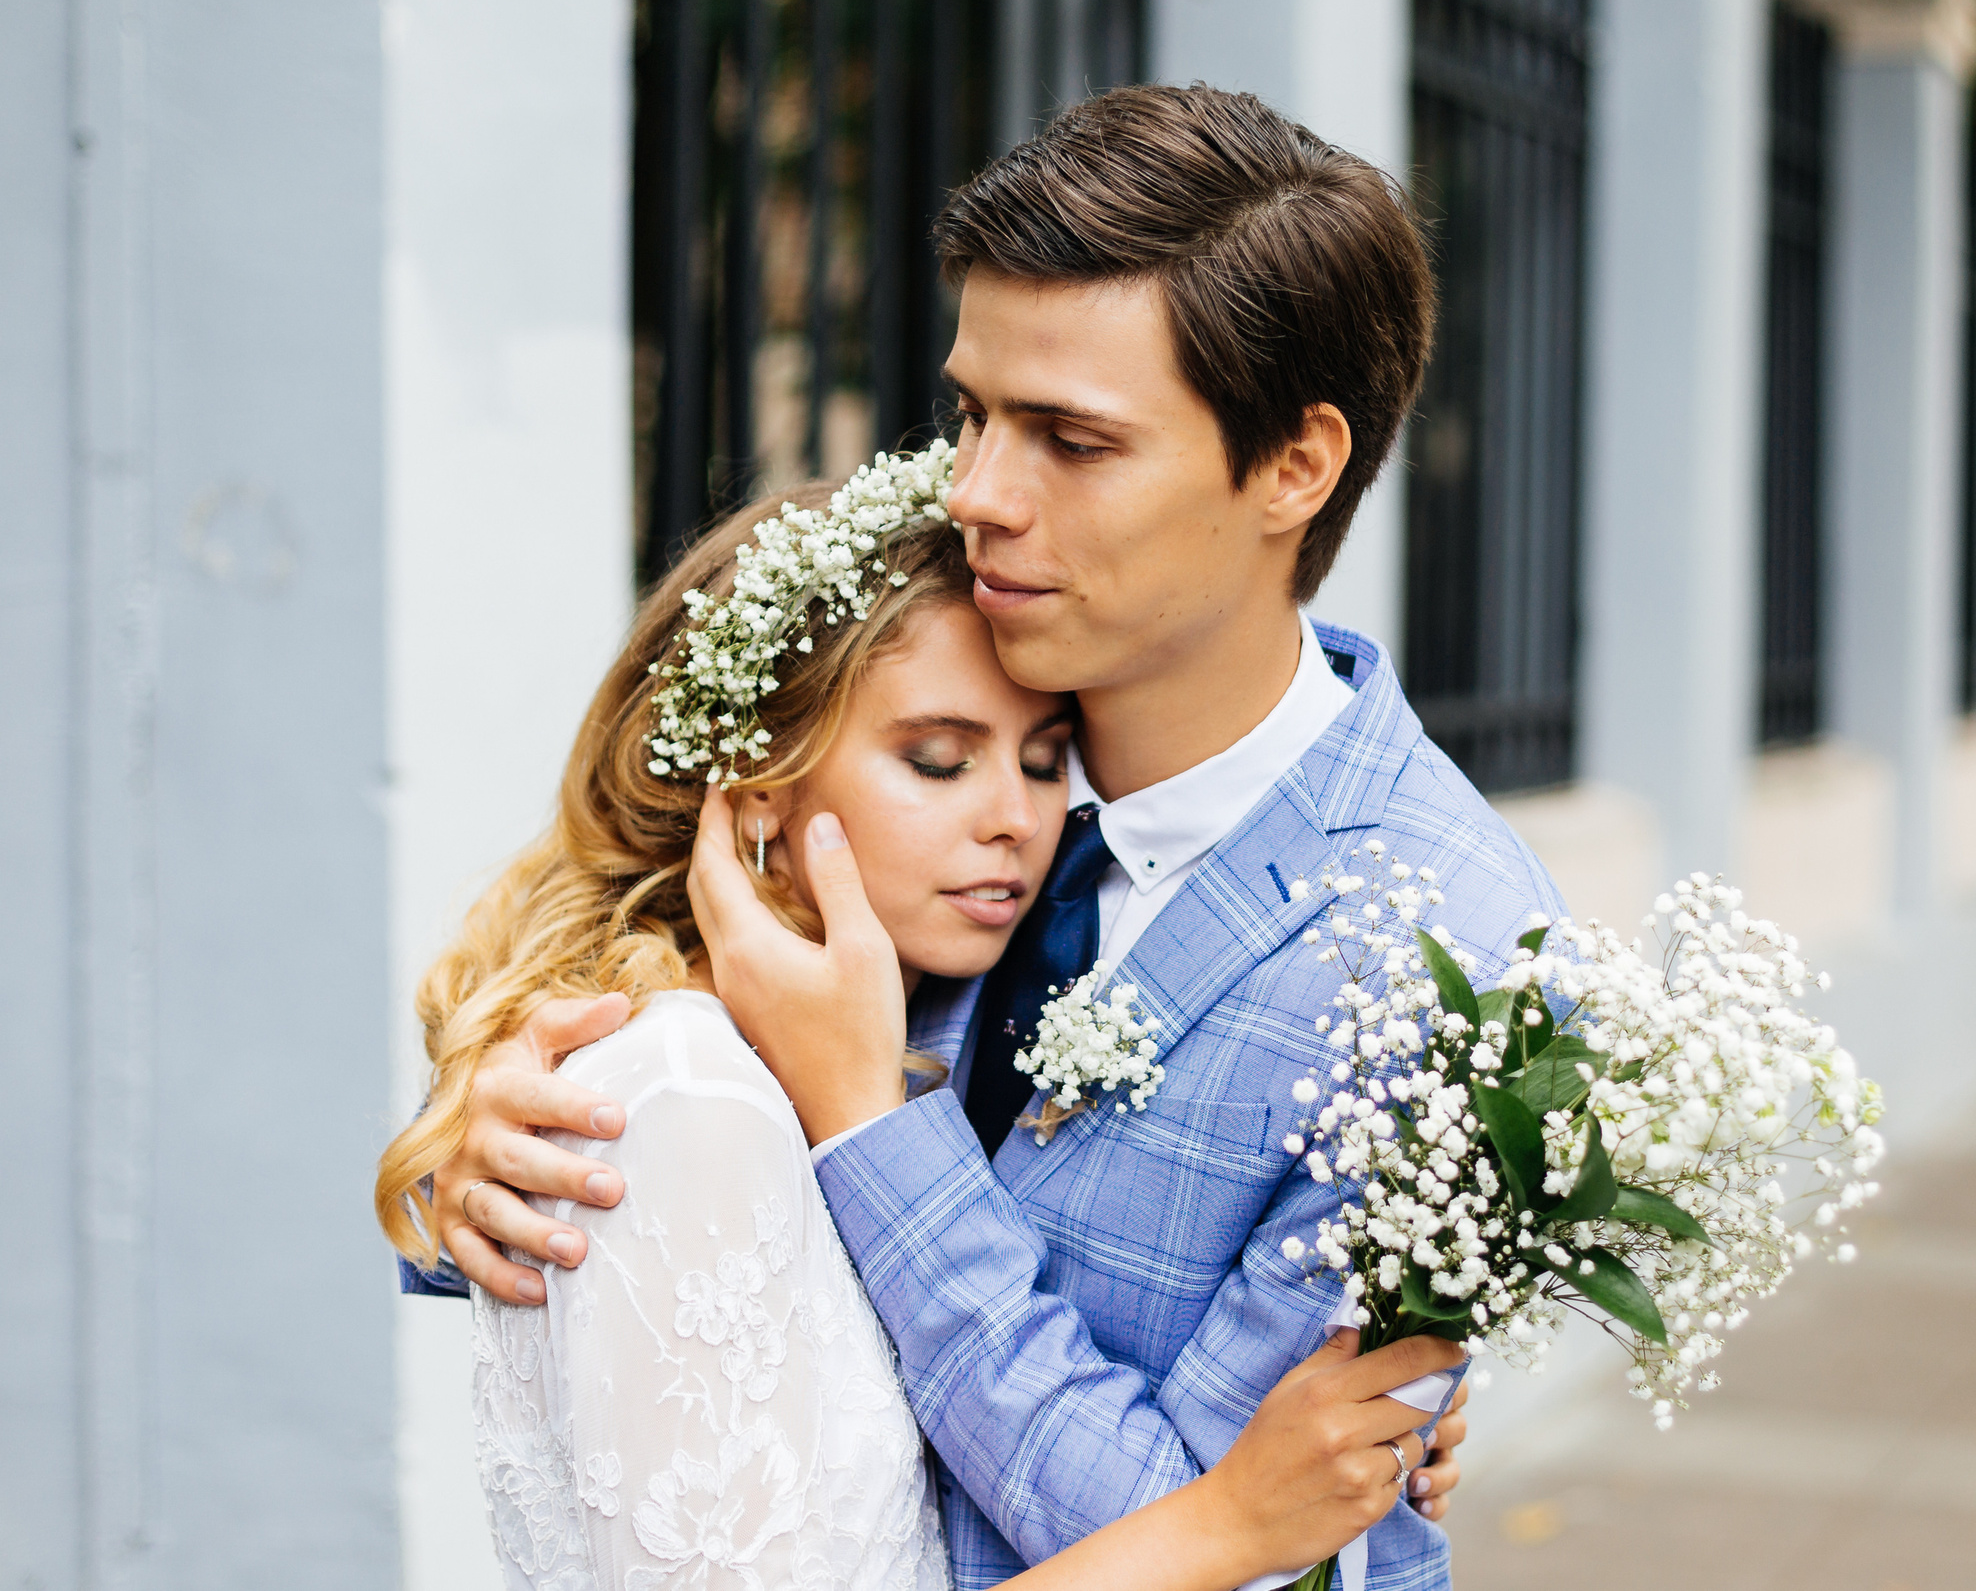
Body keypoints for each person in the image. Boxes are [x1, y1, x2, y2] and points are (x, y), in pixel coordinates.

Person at [420, 84, 1567, 1591]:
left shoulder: (1451, 960)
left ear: (1294, 465)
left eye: (1071, 440)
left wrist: (865, 1125)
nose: (976, 493)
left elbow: (1244, 1541)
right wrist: (503, 1143)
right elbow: (706, 1261)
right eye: (972, 411)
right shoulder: (935, 759)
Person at [377, 480, 1458, 1589]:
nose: (1019, 818)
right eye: (938, 760)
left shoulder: (878, 1014)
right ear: (757, 808)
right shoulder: (682, 1093)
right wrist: (1226, 1526)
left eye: (1045, 761)